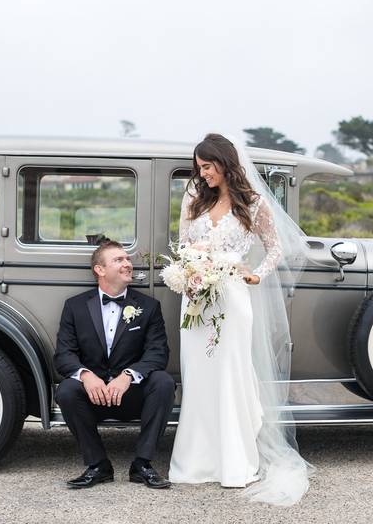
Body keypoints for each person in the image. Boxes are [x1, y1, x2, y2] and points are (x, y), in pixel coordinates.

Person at [168, 133, 312, 506]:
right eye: (198, 167)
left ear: (225, 163)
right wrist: (189, 266)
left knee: (231, 374)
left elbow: (277, 247)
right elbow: (183, 243)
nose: (202, 174)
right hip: (197, 299)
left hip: (232, 297)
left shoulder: (254, 203)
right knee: (199, 377)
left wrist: (257, 275)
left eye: (207, 166)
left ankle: (235, 462)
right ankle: (197, 462)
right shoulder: (194, 200)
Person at [54, 239, 175, 489]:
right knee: (66, 390)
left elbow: (158, 353)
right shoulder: (75, 306)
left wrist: (128, 375)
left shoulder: (149, 307)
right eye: (119, 260)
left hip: (132, 396)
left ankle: (142, 465)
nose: (127, 264)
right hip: (93, 397)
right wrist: (86, 376)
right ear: (100, 270)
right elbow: (64, 355)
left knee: (163, 382)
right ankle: (98, 465)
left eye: (128, 259)